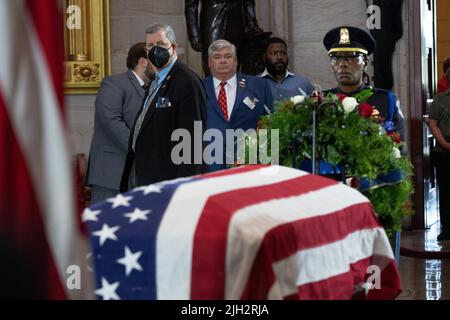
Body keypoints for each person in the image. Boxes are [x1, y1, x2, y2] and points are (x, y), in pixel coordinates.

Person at [120, 23, 207, 191]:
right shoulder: (156, 80)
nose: (155, 50)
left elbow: (193, 142)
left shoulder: (186, 82)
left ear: (173, 47)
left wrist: (184, 188)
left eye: (160, 44)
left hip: (169, 182)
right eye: (150, 46)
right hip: (145, 177)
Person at [86, 42, 154, 204]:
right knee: (106, 224)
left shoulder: (153, 88)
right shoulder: (114, 83)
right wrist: (143, 149)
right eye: (155, 59)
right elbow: (110, 120)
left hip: (140, 176)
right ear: (143, 61)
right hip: (111, 173)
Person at [323, 26, 407, 144]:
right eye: (336, 58)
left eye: (351, 57)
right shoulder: (322, 101)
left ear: (365, 63)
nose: (342, 64)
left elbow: (399, 147)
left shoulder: (386, 100)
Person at [204, 39, 273, 172]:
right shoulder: (198, 88)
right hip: (209, 164)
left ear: (236, 61)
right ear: (209, 63)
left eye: (228, 56)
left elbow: (270, 123)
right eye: (217, 57)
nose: (223, 61)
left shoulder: (259, 85)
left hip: (250, 163)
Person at [185, 0, 262, 75]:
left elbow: (248, 1)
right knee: (213, 61)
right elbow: (191, 5)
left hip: (237, 21)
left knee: (234, 62)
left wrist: (252, 23)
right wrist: (194, 34)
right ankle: (213, 87)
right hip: (211, 20)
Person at [259, 37, 313, 101]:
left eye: (283, 53)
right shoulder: (254, 83)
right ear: (264, 58)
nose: (279, 57)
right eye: (274, 53)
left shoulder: (303, 83)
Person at [429, 87, 450, 241]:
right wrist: (445, 143)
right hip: (444, 152)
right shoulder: (440, 99)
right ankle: (447, 228)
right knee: (446, 192)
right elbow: (433, 123)